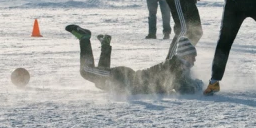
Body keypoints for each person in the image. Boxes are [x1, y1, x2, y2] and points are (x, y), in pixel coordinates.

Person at [65, 24, 202, 94]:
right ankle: (84, 38)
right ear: (184, 55)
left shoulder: (181, 66)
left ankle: (105, 46)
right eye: (192, 56)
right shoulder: (175, 66)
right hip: (122, 78)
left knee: (100, 82)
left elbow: (185, 83)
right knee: (86, 71)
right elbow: (182, 87)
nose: (195, 59)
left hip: (125, 81)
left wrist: (198, 85)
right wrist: (199, 87)